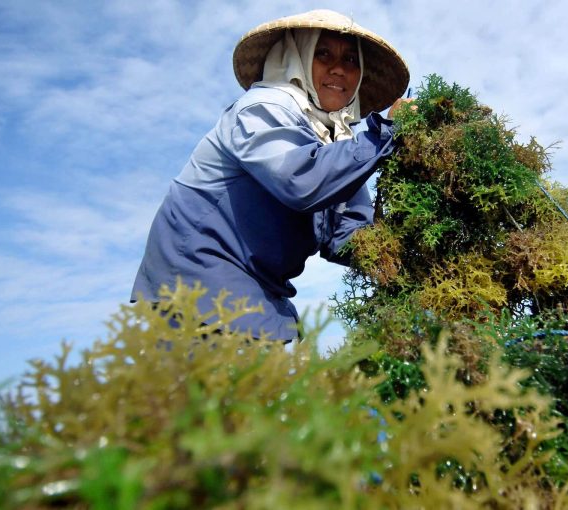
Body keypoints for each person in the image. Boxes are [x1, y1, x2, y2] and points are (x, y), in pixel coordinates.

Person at [131, 10, 410, 342]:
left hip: (257, 292)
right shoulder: (263, 107)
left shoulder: (340, 143)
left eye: (351, 59)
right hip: (198, 281)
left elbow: (347, 235)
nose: (339, 68)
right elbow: (302, 179)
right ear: (297, 58)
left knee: (256, 385)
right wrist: (386, 134)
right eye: (323, 54)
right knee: (212, 391)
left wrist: (410, 249)